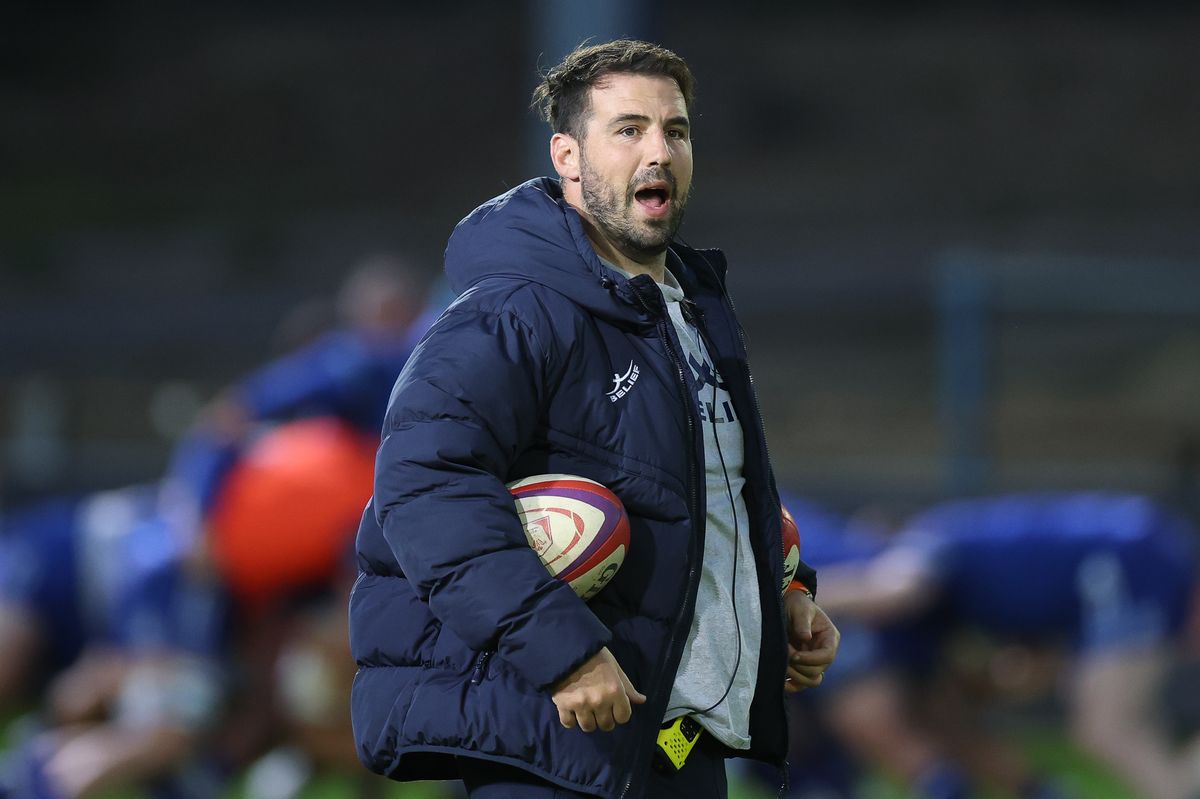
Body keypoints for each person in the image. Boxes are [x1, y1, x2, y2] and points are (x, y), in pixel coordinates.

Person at [349, 39, 839, 799]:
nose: (659, 151)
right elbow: (422, 484)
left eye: (675, 131)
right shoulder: (515, 310)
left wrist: (785, 596)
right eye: (628, 129)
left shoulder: (692, 313)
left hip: (676, 746)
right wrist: (563, 652)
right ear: (568, 156)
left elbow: (700, 495)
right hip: (555, 742)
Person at [813, 491, 1200, 799]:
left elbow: (890, 592)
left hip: (1125, 559)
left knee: (1108, 727)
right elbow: (1032, 673)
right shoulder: (981, 595)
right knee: (1108, 728)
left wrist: (789, 598)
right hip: (1127, 559)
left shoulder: (928, 538)